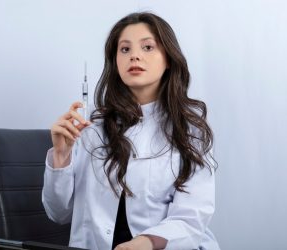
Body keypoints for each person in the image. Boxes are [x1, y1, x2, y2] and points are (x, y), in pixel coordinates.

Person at [42, 12, 220, 250]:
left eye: (147, 47)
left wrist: (147, 242)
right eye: (124, 49)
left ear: (168, 58)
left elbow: (191, 217)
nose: (134, 55)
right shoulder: (91, 127)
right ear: (115, 62)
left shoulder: (189, 131)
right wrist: (61, 157)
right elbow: (58, 213)